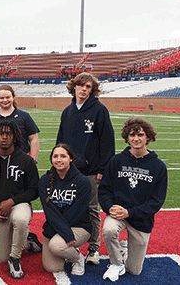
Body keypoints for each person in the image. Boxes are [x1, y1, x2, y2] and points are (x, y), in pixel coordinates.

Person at [55, 73, 115, 265]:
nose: (84, 89)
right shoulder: (68, 111)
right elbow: (60, 142)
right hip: (70, 171)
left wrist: (103, 169)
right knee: (70, 207)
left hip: (90, 171)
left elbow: (107, 141)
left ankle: (94, 248)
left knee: (91, 209)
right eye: (80, 85)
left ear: (92, 90)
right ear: (73, 87)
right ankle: (73, 245)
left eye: (88, 87)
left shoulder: (99, 110)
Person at [99, 118, 167, 282]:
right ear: (127, 138)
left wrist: (130, 212)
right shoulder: (116, 161)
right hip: (118, 214)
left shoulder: (158, 166)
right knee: (108, 230)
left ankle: (124, 248)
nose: (136, 139)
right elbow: (104, 189)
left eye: (140, 135)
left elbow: (156, 202)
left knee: (134, 271)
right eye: (132, 135)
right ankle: (116, 263)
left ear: (148, 138)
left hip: (141, 218)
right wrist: (110, 208)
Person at [0, 120, 40, 279]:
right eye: (1, 134)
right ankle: (28, 241)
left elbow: (34, 190)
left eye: (8, 134)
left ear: (15, 137)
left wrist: (12, 201)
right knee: (1, 258)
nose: (4, 137)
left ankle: (15, 258)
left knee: (20, 219)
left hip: (18, 204)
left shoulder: (26, 160)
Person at [39, 144, 91, 275]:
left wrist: (66, 233)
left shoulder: (82, 181)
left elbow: (76, 212)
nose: (59, 159)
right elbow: (49, 211)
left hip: (78, 226)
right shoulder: (45, 180)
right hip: (55, 226)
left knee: (56, 246)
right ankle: (70, 252)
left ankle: (77, 258)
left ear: (71, 159)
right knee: (52, 268)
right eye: (55, 156)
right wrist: (59, 230)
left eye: (63, 156)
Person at [0, 85, 40, 167]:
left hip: (20, 164)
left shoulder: (24, 116)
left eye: (8, 97)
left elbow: (34, 138)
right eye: (1, 98)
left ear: (13, 97)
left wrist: (33, 160)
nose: (5, 100)